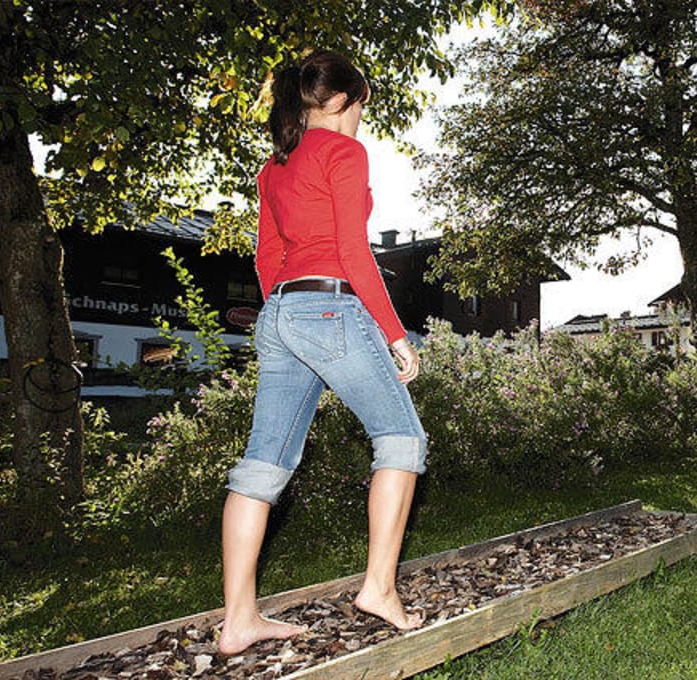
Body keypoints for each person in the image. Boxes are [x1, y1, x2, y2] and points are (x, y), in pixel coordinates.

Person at [218, 50, 428, 655]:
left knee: (262, 466)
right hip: (330, 306)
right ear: (340, 102)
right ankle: (379, 589)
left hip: (280, 311)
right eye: (361, 106)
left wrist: (283, 318)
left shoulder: (274, 167)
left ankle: (238, 621)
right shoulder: (344, 152)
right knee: (403, 440)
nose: (361, 118)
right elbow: (354, 252)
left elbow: (267, 256)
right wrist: (394, 333)